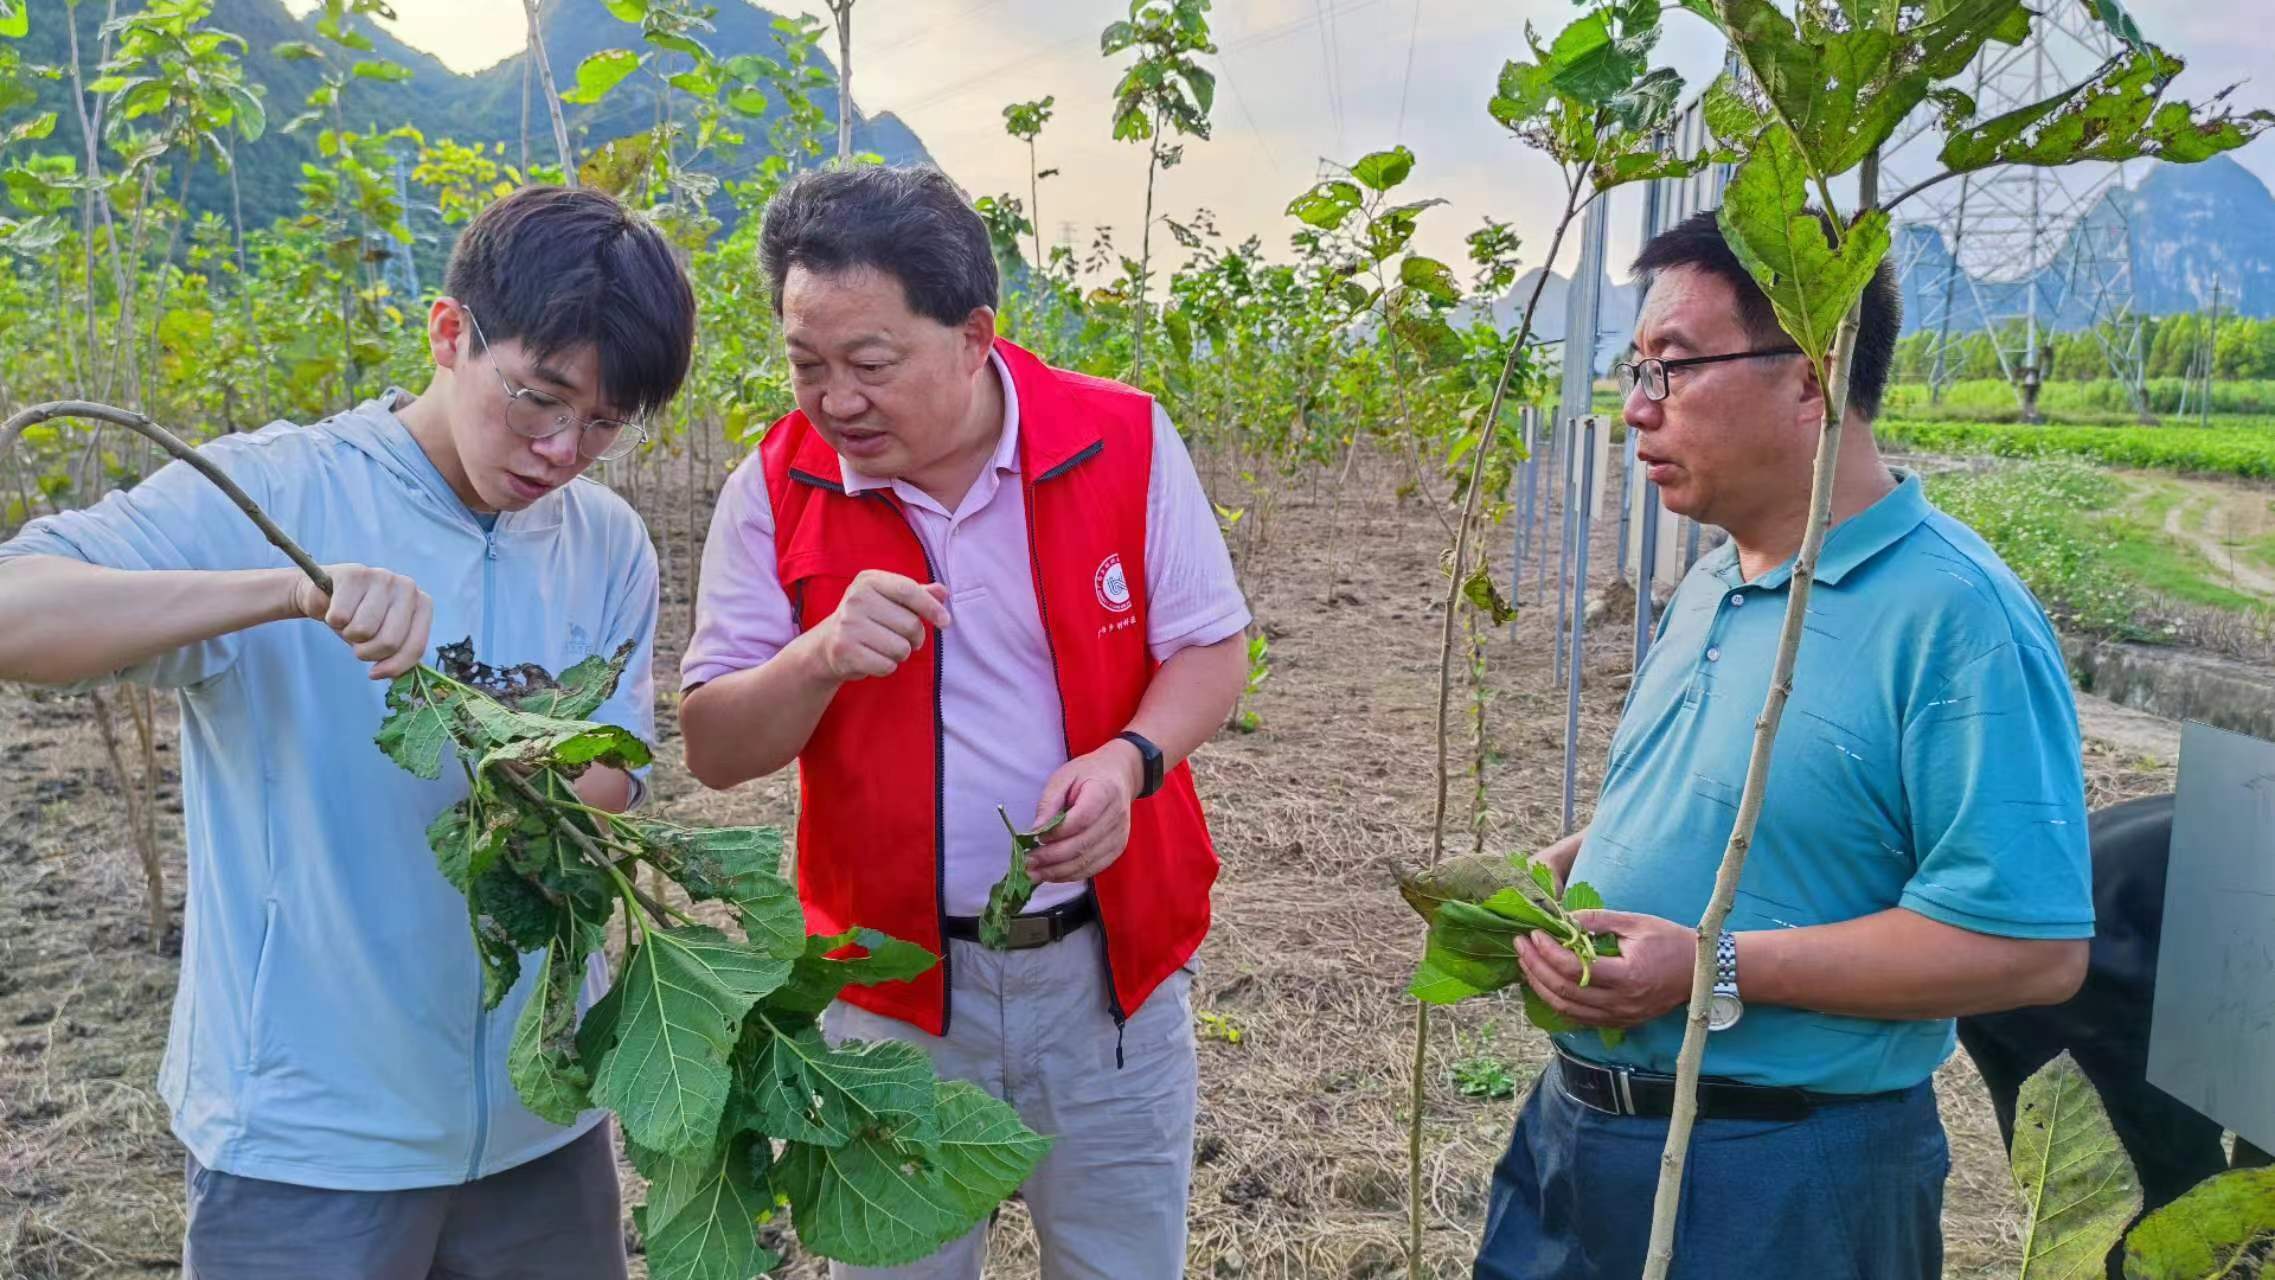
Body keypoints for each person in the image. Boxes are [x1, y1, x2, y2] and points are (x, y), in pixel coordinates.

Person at [0, 185, 696, 1279]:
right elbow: (16, 610)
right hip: (308, 1141)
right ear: (449, 333)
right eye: (538, 399)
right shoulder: (282, 488)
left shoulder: (606, 541)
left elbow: (615, 769)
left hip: (540, 1122)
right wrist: (282, 592)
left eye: (605, 421)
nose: (563, 449)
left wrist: (532, 781)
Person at [1473, 209, 2094, 1280]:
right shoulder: (1719, 575)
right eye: (1635, 367)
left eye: (1671, 367)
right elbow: (1743, 800)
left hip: (1782, 1169)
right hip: (1579, 1135)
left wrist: (1710, 964)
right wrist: (1577, 860)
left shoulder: (1954, 618)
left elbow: (2030, 947)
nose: (1634, 409)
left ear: (1811, 374)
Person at [678, 164, 1250, 1279]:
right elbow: (712, 745)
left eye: (869, 363)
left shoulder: (1120, 438)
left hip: (1105, 983)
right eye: (807, 364)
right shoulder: (778, 488)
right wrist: (817, 656)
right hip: (890, 1002)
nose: (835, 399)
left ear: (973, 334)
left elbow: (1208, 648)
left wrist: (1129, 762)